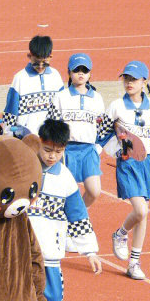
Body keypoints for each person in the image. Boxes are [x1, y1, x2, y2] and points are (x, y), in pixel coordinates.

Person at [27, 119, 101, 301]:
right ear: (39, 143)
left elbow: (78, 214)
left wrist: (89, 250)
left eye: (59, 152)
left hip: (49, 254)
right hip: (19, 254)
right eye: (48, 150)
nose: (52, 156)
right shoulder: (22, 169)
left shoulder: (67, 179)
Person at [106, 60, 150, 280]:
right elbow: (102, 132)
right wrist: (114, 151)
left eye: (134, 79)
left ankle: (135, 262)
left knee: (143, 216)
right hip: (128, 163)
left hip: (147, 163)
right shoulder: (116, 106)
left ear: (144, 82)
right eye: (126, 78)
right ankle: (120, 234)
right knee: (140, 211)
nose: (129, 83)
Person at [49, 53, 106, 207]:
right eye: (76, 70)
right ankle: (70, 220)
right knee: (68, 191)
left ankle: (78, 216)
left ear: (90, 74)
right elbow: (52, 124)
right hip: (68, 149)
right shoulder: (61, 96)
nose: (81, 73)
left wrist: (98, 147)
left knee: (94, 191)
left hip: (89, 150)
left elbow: (102, 126)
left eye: (85, 70)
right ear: (69, 72)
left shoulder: (97, 98)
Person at [0, 35, 64, 137]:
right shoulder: (20, 78)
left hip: (49, 139)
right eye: (36, 63)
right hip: (27, 139)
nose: (40, 66)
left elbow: (62, 108)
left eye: (44, 63)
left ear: (50, 57)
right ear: (29, 56)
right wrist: (9, 134)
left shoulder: (56, 77)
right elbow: (10, 113)